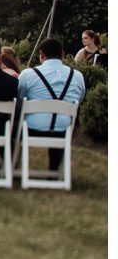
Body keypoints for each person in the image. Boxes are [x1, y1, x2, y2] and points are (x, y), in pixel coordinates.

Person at [17, 38, 87, 173]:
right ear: (62, 54)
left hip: (31, 129)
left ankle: (12, 166)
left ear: (41, 55)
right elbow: (79, 99)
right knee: (60, 120)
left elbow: (20, 100)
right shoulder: (77, 76)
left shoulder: (28, 74)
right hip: (64, 130)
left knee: (11, 127)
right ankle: (54, 171)